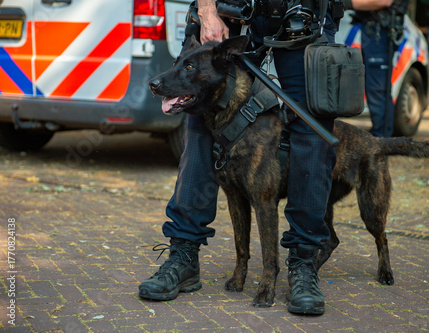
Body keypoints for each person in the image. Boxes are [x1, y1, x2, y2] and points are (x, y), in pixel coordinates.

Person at [139, 0, 340, 315]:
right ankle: (184, 257)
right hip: (228, 15)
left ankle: (303, 262)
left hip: (304, 20)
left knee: (310, 138)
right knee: (200, 132)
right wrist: (207, 10)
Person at [344, 0, 408, 137]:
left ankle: (381, 145)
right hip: (376, 30)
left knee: (378, 91)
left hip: (380, 31)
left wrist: (344, 3)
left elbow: (383, 1)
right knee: (377, 91)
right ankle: (381, 143)